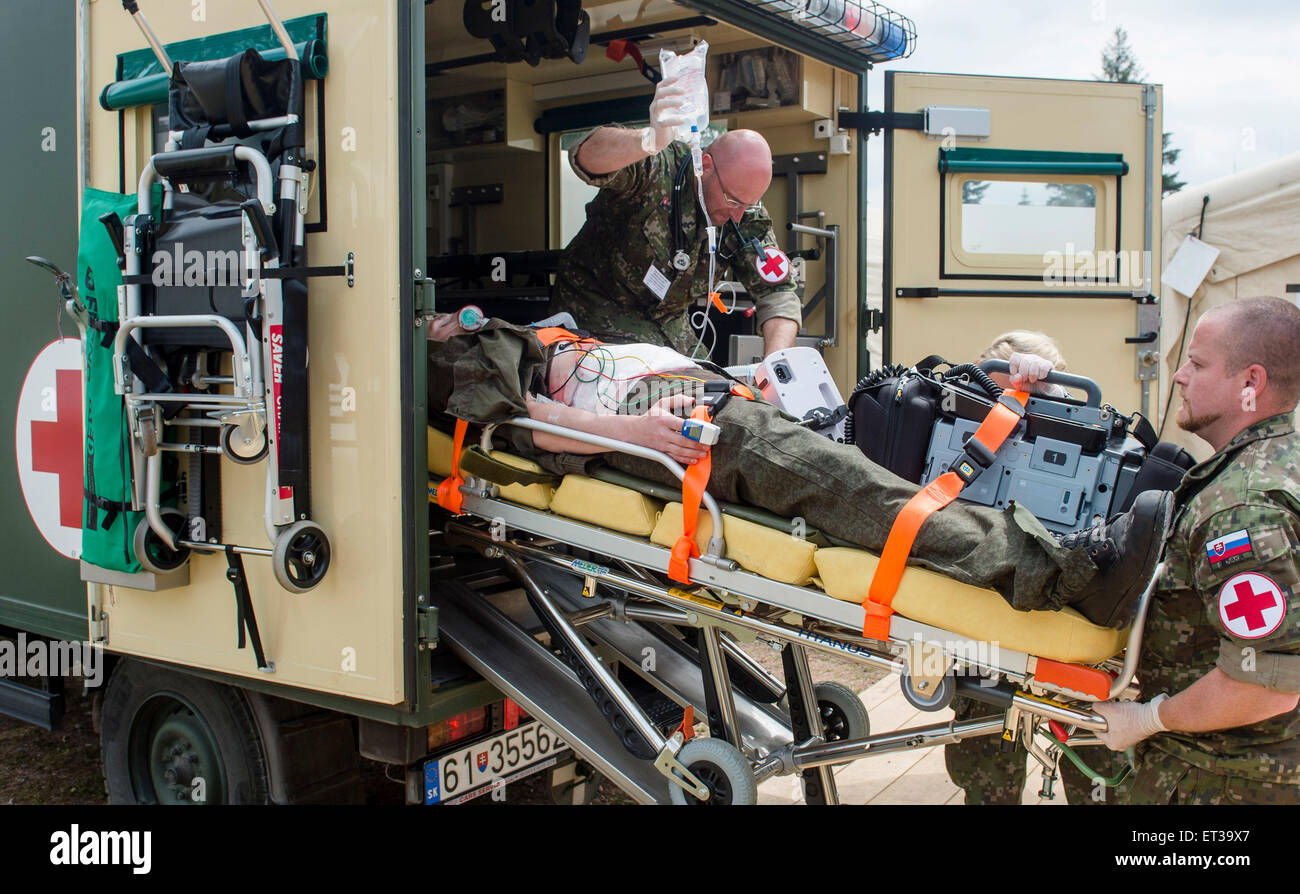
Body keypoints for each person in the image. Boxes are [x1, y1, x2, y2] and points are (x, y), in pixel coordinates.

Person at [425, 314, 1174, 632]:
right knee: (859, 491)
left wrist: (749, 378)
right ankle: (1065, 570)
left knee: (875, 469)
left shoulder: (526, 329)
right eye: (423, 317)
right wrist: (634, 431)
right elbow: (520, 419)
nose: (438, 316)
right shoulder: (450, 353)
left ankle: (1075, 543)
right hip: (668, 426)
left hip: (707, 396)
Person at [1087, 296, 1300, 805]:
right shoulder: (1276, 462)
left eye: (1197, 363)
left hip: (1227, 782)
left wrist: (1150, 718)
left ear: (1252, 382)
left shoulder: (1242, 510)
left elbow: (1265, 684)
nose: (1179, 375)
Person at [945, 331, 1131, 804]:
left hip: (1055, 616)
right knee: (989, 757)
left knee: (1087, 756)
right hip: (991, 615)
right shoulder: (963, 428)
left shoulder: (1093, 440)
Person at [551, 71, 801, 358]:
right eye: (732, 200)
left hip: (667, 326)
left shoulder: (744, 208)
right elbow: (585, 157)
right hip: (594, 315)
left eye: (748, 203)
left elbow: (778, 292)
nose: (738, 214)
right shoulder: (657, 166)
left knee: (718, 392)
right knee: (657, 393)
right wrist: (648, 140)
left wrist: (775, 364)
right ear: (705, 165)